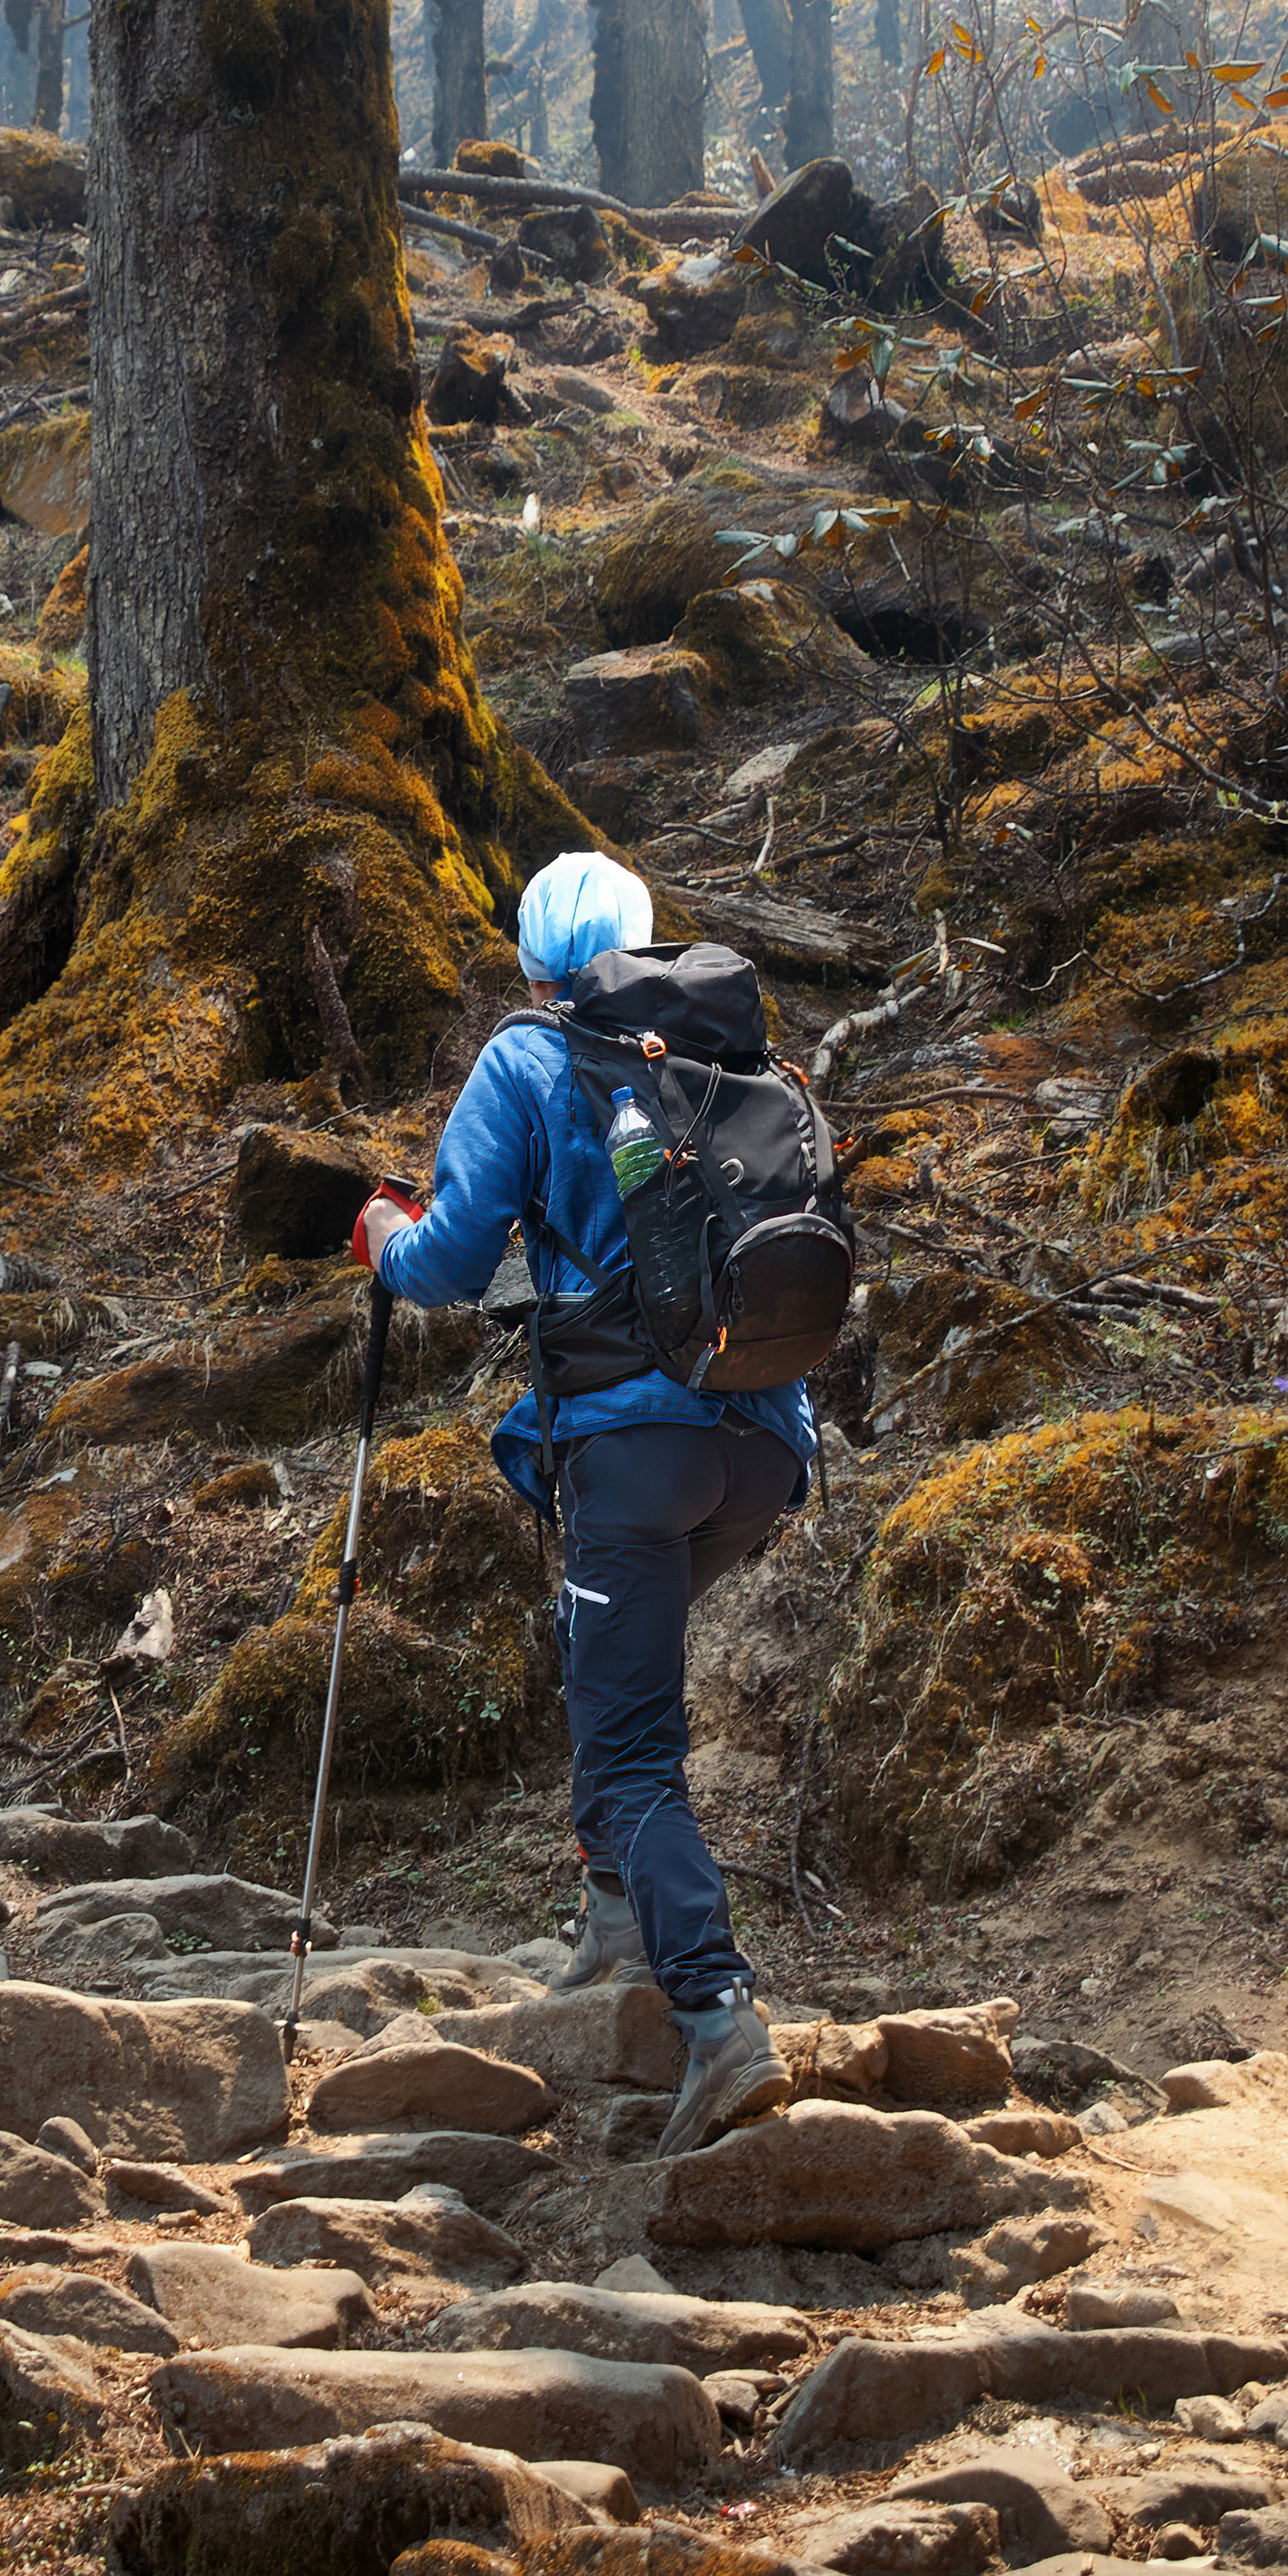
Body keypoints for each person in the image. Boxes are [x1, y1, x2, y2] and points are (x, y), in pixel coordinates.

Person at [355, 850, 813, 2153]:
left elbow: (446, 1266)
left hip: (629, 1450)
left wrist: (381, 1238)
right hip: (763, 1445)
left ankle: (718, 2019)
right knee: (602, 1655)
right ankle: (615, 1918)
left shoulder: (528, 1059)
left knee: (624, 1752)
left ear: (531, 964)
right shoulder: (736, 1058)